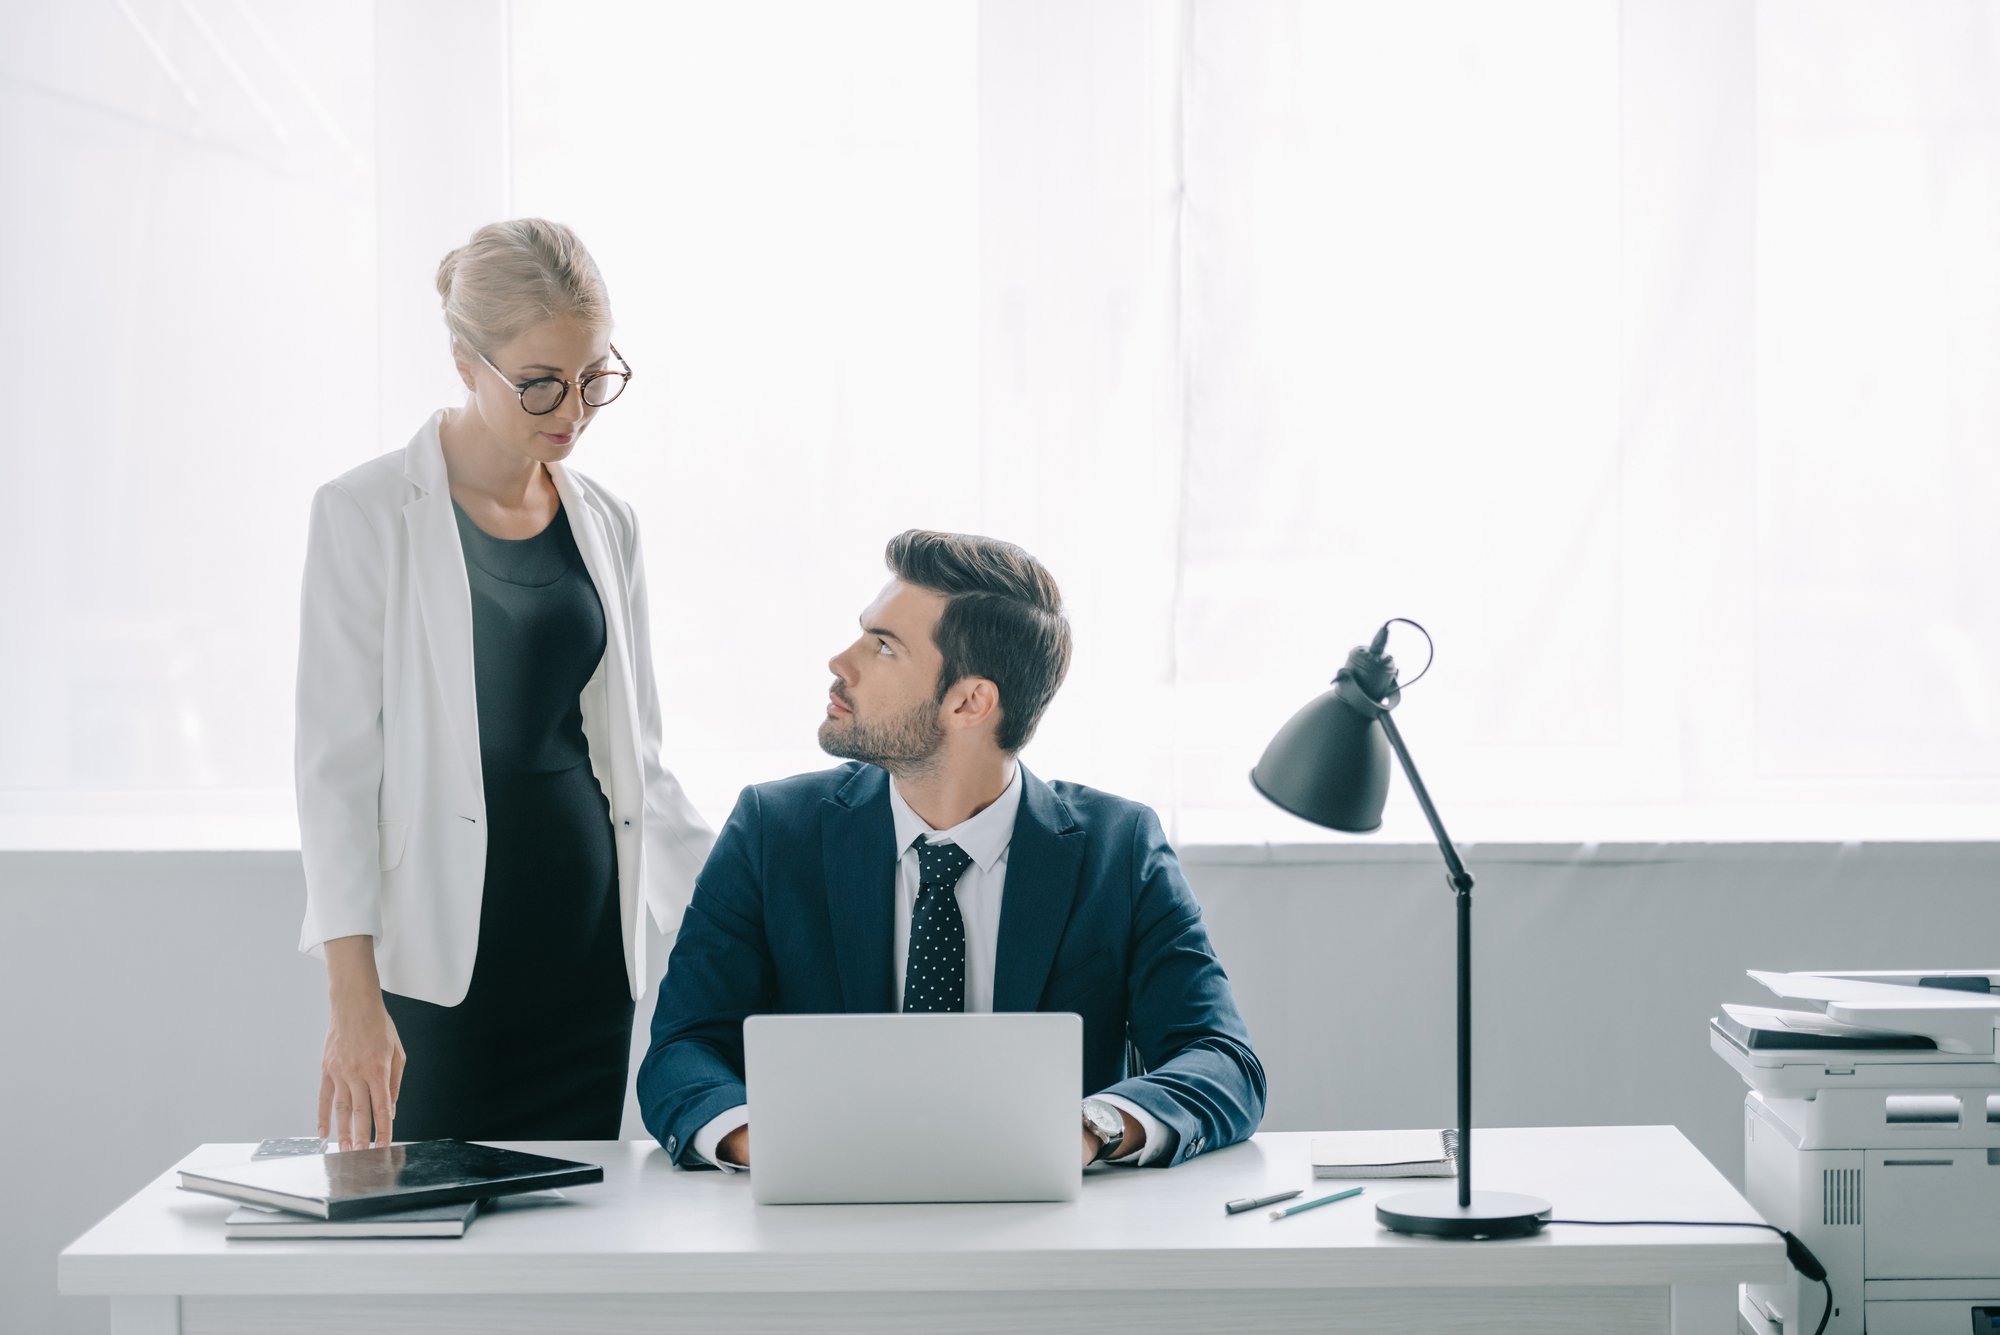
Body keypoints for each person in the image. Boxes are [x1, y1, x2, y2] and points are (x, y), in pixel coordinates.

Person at [638, 531, 1263, 1171]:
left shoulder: (1119, 849)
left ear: (969, 701)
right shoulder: (773, 831)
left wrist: (1086, 1128)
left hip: (1047, 1231)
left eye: (883, 647)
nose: (840, 662)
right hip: (818, 1225)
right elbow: (683, 1049)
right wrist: (776, 1145)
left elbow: (1222, 1059)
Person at [296, 219, 712, 1150]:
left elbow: (640, 761)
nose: (573, 409)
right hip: (442, 971)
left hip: (587, 957)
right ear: (462, 360)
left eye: (594, 377)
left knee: (573, 1258)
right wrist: (352, 1004)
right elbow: (333, 777)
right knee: (427, 1251)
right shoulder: (364, 515)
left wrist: (740, 932)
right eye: (539, 382)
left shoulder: (609, 521)